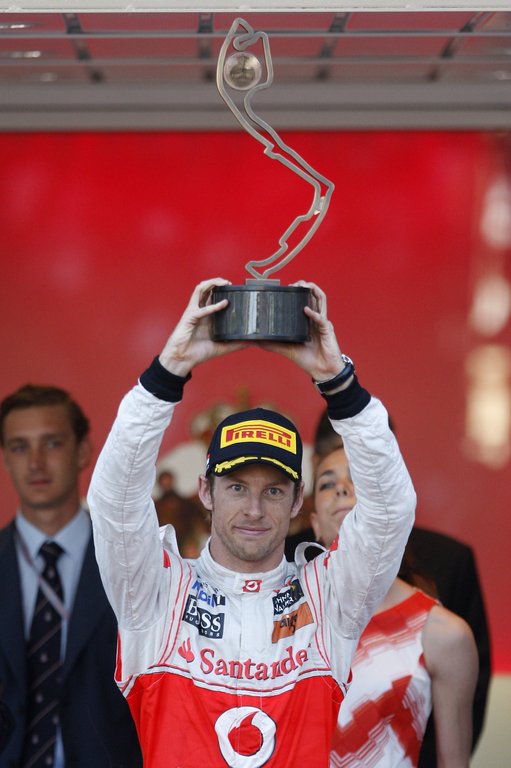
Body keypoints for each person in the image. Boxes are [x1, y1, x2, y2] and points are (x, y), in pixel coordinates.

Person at [87, 277, 416, 768]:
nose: (255, 510)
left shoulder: (329, 598)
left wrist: (339, 384)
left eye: (274, 491)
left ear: (298, 499)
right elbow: (114, 500)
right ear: (205, 491)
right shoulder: (155, 593)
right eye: (237, 488)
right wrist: (169, 371)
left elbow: (391, 511)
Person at [286, 409, 491, 766]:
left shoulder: (443, 633)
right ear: (314, 522)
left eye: (357, 477)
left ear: (388, 503)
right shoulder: (281, 616)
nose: (342, 488)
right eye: (327, 483)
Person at [0, 384, 142, 768]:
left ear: (82, 452)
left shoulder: (133, 562)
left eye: (51, 444)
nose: (35, 463)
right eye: (19, 447)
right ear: (6, 458)